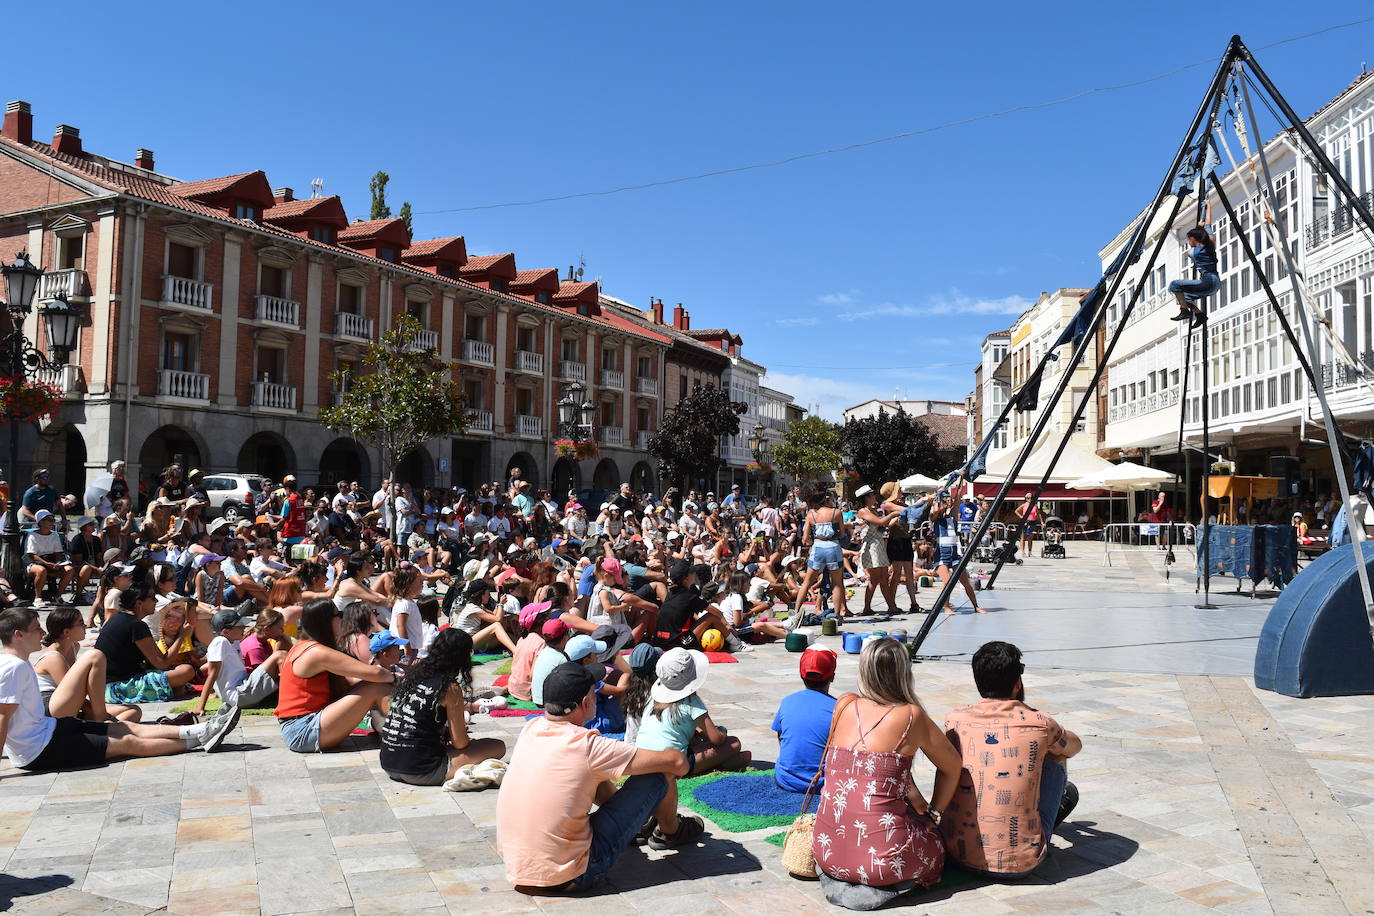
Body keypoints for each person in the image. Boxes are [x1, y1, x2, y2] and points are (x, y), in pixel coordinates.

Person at [495, 661, 690, 893]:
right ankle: (671, 832)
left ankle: (640, 828)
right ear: (586, 703)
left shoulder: (531, 729)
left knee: (589, 776)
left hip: (521, 872)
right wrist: (681, 757)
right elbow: (676, 762)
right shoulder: (587, 746)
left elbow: (589, 777)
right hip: (572, 875)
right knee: (660, 773)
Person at [811, 637, 962, 910]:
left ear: (864, 671)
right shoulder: (911, 716)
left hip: (825, 850)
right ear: (904, 672)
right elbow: (952, 766)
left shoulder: (843, 704)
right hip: (882, 862)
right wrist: (934, 815)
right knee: (936, 845)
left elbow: (878, 771)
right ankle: (887, 882)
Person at [0, 608, 241, 771]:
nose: (42, 633)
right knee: (126, 742)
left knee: (124, 727)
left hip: (50, 729)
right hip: (39, 750)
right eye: (36, 628)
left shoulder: (16, 664)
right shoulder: (13, 667)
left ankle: (203, 728)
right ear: (18, 634)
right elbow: (2, 717)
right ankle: (201, 739)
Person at [941, 641, 1081, 878]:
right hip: (1020, 864)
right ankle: (1037, 825)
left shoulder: (954, 719)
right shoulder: (1039, 722)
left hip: (956, 854)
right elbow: (1074, 747)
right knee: (1057, 756)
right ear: (1017, 683)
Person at [379, 628, 506, 786]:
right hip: (422, 770)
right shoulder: (449, 688)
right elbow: (460, 743)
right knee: (496, 746)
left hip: (389, 763)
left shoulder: (412, 676)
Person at [275, 598, 395, 754]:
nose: (342, 619)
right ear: (325, 621)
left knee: (373, 684)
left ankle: (393, 729)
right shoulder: (316, 652)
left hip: (301, 727)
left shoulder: (303, 645)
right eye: (338, 614)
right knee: (376, 685)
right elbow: (376, 673)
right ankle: (402, 733)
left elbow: (352, 679)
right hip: (303, 731)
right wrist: (397, 678)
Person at [31, 607, 139, 722]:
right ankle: (100, 722)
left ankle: (101, 727)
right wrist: (100, 713)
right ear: (67, 632)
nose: (85, 626)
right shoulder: (53, 657)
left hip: (71, 706)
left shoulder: (74, 647)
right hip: (51, 707)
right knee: (95, 656)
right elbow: (73, 692)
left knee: (134, 711)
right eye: (81, 623)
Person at [95, 586, 198, 704]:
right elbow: (163, 663)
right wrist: (181, 636)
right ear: (139, 603)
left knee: (180, 683)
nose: (157, 601)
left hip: (104, 685)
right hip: (119, 687)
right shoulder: (136, 625)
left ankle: (172, 690)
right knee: (187, 671)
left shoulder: (119, 618)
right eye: (153, 599)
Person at [192, 604, 284, 717]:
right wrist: (200, 707)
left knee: (281, 659)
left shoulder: (234, 641)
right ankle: (290, 697)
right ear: (226, 632)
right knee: (280, 655)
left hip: (243, 687)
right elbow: (212, 674)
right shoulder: (220, 642)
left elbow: (227, 669)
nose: (244, 628)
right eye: (239, 626)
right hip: (237, 694)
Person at [770, 646, 837, 792]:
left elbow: (780, 737)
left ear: (801, 675)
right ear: (832, 676)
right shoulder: (839, 708)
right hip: (822, 783)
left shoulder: (787, 701)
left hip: (786, 779)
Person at [793, 482, 851, 624]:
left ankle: (795, 614)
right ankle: (837, 616)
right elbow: (842, 534)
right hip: (833, 546)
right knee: (837, 583)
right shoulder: (836, 513)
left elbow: (805, 538)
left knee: (807, 582)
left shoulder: (811, 514)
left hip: (818, 547)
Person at [930, 493, 986, 615]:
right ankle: (946, 607)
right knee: (947, 582)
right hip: (942, 554)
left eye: (949, 501)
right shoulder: (936, 518)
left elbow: (957, 500)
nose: (948, 503)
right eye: (946, 501)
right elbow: (935, 510)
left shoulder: (953, 517)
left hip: (954, 554)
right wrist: (939, 501)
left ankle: (976, 606)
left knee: (965, 582)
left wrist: (960, 481)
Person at [1169, 225, 1220, 329]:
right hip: (1215, 282)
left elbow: (1188, 253)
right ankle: (1199, 315)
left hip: (1208, 281)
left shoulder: (1194, 252)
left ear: (1193, 239)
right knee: (1183, 297)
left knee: (1174, 285)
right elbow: (1208, 226)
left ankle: (1184, 311)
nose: (1188, 242)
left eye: (1188, 240)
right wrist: (1202, 226)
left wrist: (1201, 227)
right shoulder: (1210, 244)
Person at [24, 510, 75, 607]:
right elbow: (31, 555)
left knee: (69, 570)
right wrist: (46, 563)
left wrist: (58, 562)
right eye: (49, 520)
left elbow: (58, 552)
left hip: (51, 561)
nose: (52, 522)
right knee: (41, 570)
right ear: (41, 522)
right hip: (35, 562)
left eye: (53, 520)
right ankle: (38, 598)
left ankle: (57, 596)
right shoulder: (32, 536)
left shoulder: (54, 535)